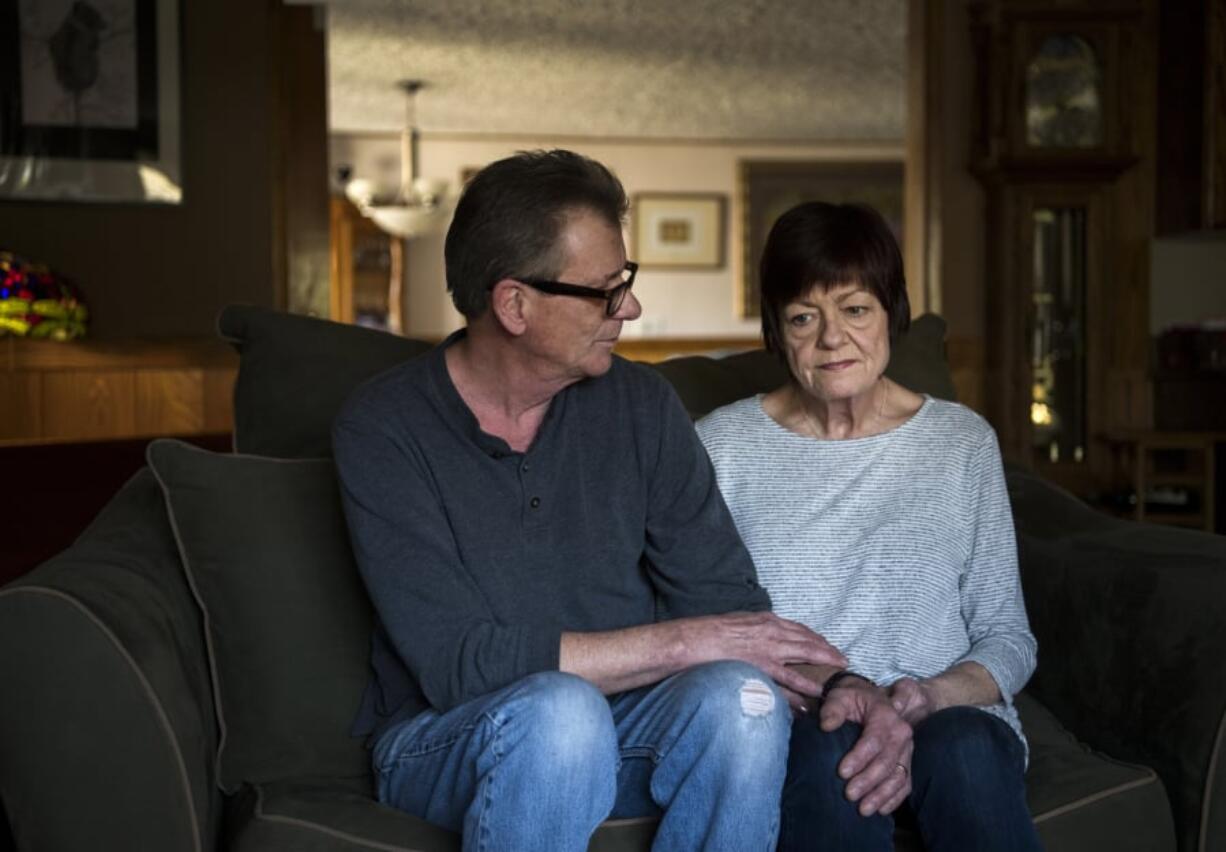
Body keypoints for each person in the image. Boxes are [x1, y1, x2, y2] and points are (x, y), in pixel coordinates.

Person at [332, 150, 897, 851]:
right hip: (443, 738)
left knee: (742, 701)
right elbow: (458, 663)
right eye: (606, 290)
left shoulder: (641, 405)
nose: (629, 307)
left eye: (623, 281)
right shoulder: (385, 427)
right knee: (563, 713)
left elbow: (729, 610)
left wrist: (850, 687)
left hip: (627, 725)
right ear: (515, 304)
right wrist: (687, 641)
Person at [697, 201, 1043, 852]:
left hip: (949, 715)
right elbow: (708, 624)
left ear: (892, 313)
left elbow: (1008, 637)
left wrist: (919, 699)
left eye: (855, 309)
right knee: (832, 758)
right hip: (807, 716)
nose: (833, 339)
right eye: (805, 317)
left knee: (965, 751)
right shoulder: (721, 448)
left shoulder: (962, 443)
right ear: (777, 330)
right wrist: (846, 697)